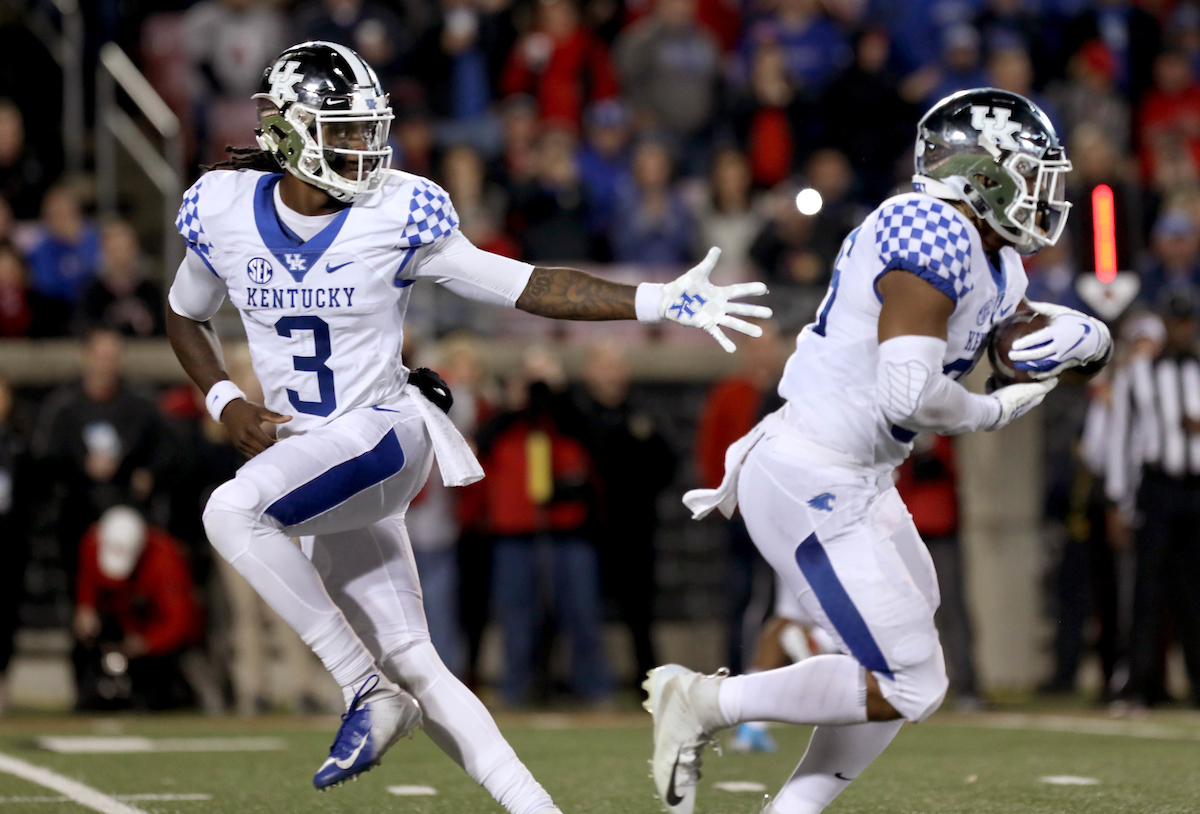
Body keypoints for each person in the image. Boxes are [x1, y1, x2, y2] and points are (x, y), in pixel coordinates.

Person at [164, 41, 768, 801]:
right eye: (342, 130)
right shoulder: (221, 206)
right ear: (287, 130)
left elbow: (522, 284)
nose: (362, 147)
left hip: (385, 433)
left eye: (365, 128)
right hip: (312, 459)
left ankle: (364, 691)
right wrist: (224, 400)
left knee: (232, 509)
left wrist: (654, 299)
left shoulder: (395, 210)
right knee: (416, 657)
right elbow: (185, 313)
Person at [643, 88, 1112, 814]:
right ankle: (703, 701)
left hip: (861, 476)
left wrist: (1084, 343)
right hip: (810, 471)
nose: (1046, 192)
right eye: (1030, 171)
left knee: (906, 674)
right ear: (979, 172)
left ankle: (788, 807)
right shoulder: (928, 228)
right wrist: (987, 412)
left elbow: (1013, 339)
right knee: (912, 682)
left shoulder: (995, 255)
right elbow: (907, 394)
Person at [1106, 289, 1200, 710]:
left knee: (1193, 592)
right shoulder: (1137, 374)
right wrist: (1117, 501)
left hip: (1195, 489)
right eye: (1177, 322)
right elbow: (1121, 439)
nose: (1183, 329)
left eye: (1188, 321)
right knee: (1147, 592)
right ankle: (1140, 685)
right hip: (1157, 489)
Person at [574, 341, 676, 688]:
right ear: (589, 372)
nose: (610, 374)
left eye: (616, 366)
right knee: (581, 610)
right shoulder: (577, 413)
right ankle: (585, 684)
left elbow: (667, 465)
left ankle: (646, 682)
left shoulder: (642, 412)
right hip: (586, 529)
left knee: (640, 613)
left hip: (635, 528)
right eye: (603, 366)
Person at [33, 329, 167, 581]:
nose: (106, 365)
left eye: (113, 357)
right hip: (78, 502)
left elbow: (165, 450)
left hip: (128, 500)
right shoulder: (64, 407)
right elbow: (46, 459)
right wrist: (83, 465)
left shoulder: (140, 404)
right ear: (85, 357)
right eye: (101, 357)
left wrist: (149, 474)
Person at [73, 506, 206, 711]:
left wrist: (146, 643)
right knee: (83, 647)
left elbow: (179, 620)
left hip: (153, 630)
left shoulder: (166, 559)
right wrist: (86, 610)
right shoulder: (92, 544)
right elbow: (87, 584)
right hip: (119, 618)